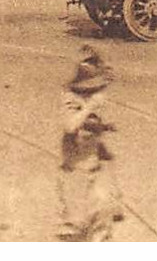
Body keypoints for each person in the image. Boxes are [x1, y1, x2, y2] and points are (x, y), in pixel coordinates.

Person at [60, 45, 125, 240]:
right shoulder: (70, 100)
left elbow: (102, 150)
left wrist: (103, 127)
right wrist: (90, 107)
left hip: (94, 174)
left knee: (102, 232)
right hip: (75, 177)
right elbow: (69, 126)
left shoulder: (90, 104)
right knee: (75, 232)